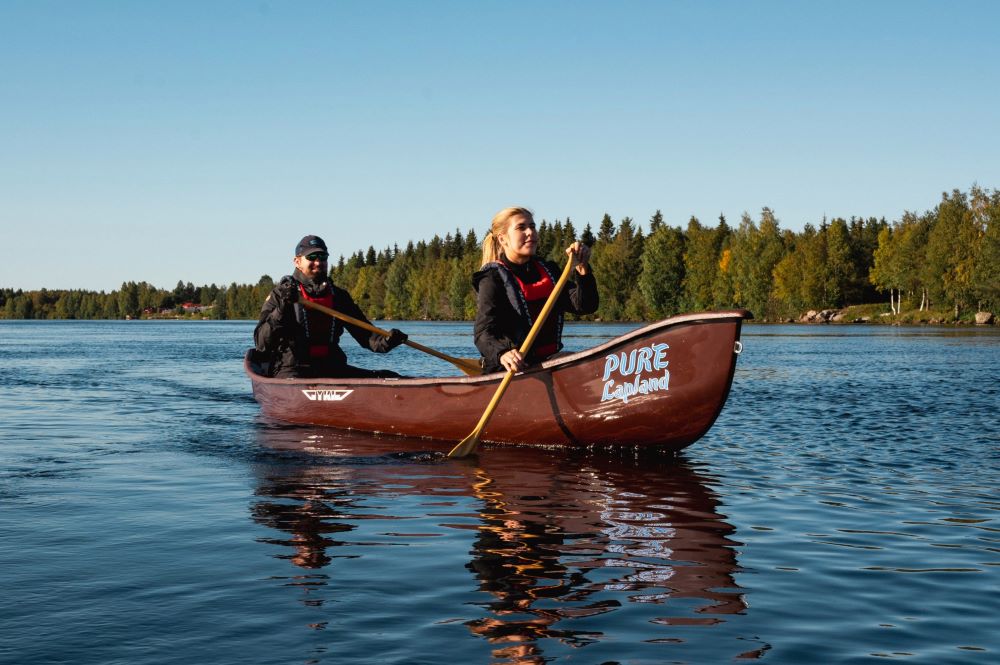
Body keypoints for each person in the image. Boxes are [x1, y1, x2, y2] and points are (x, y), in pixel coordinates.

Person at [254, 235, 408, 378]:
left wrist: (388, 340)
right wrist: (281, 309)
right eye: (312, 257)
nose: (318, 262)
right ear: (297, 261)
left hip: (332, 367)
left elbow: (367, 337)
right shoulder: (280, 295)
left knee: (390, 377)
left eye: (323, 257)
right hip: (292, 369)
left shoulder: (339, 296)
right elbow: (261, 343)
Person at [473, 207, 598, 374]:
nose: (530, 232)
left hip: (548, 363)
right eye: (521, 228)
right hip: (510, 369)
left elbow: (585, 306)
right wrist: (503, 353)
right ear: (503, 239)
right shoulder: (492, 279)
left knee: (579, 361)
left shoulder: (549, 271)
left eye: (532, 226)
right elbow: (483, 333)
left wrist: (582, 269)